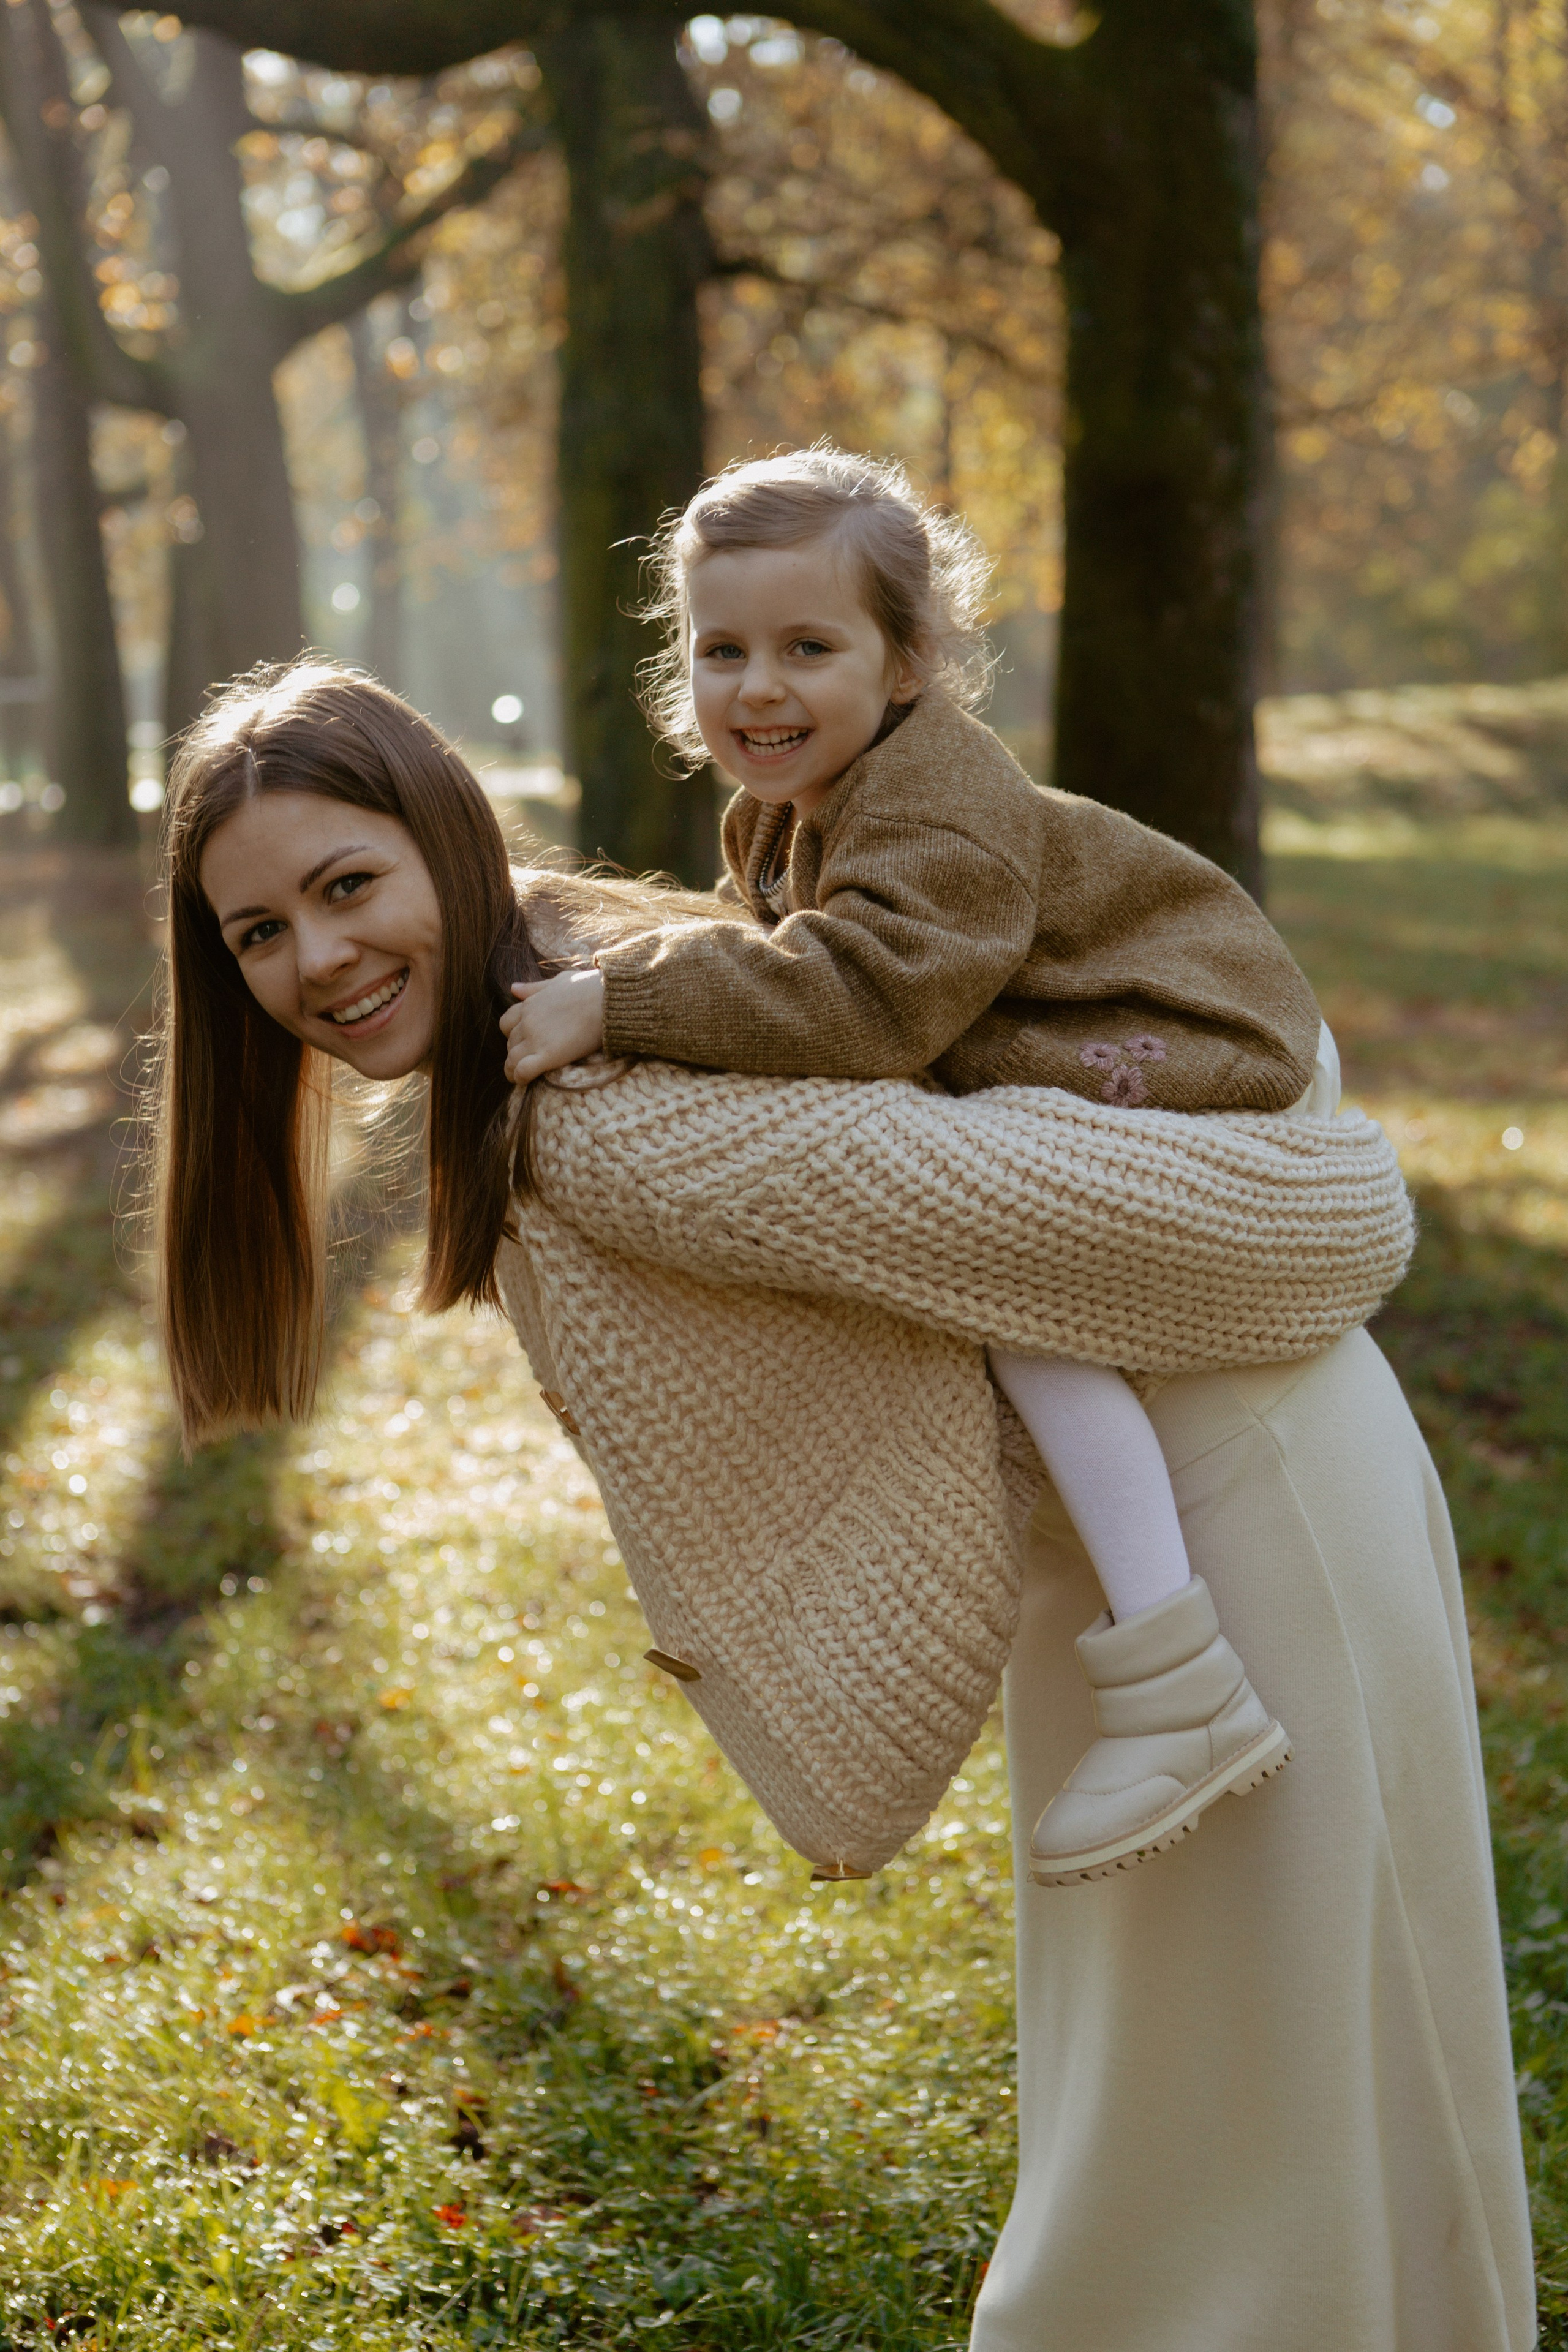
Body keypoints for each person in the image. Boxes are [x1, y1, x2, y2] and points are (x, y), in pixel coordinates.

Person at [150, 658, 1532, 2348]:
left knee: (1279, 2085)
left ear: (445, 840)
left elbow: (1045, 1215)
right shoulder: (610, 1011)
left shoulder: (600, 1098)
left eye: (346, 886)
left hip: (1240, 1499)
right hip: (1119, 1548)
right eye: (259, 934)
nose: (318, 960)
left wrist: (1321, 1173)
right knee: (1223, 2079)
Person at [499, 445, 1317, 1888]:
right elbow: (782, 965)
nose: (757, 687)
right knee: (993, 1274)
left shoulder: (935, 799)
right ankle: (1160, 1661)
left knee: (1019, 1299)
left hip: (1182, 1036)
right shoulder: (783, 804)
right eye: (721, 649)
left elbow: (865, 1002)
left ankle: (1178, 1678)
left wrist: (621, 1004)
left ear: (904, 664)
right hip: (1068, 1039)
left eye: (807, 647)